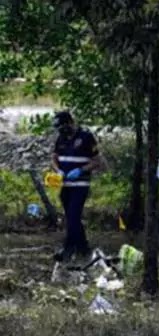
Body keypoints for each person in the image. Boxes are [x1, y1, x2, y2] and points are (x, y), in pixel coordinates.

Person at [50, 111, 104, 262]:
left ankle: (68, 248)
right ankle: (83, 248)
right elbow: (53, 158)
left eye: (62, 126)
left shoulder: (86, 137)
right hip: (65, 184)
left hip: (80, 184)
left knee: (73, 216)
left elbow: (97, 161)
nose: (60, 130)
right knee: (71, 218)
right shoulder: (61, 138)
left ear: (69, 122)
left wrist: (80, 170)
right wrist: (58, 170)